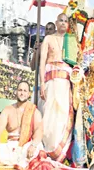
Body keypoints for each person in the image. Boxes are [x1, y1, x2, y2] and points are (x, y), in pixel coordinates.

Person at [38, 13, 73, 161]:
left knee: (63, 115)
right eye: (61, 20)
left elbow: (75, 64)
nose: (63, 23)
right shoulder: (48, 38)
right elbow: (42, 62)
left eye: (66, 21)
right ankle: (47, 149)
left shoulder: (71, 41)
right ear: (56, 22)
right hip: (50, 81)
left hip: (65, 82)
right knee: (48, 115)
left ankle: (60, 153)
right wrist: (41, 84)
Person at [0, 81, 43, 167]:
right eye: (20, 90)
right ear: (16, 92)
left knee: (38, 146)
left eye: (25, 91)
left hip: (26, 148)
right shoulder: (8, 110)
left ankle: (15, 164)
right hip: (11, 148)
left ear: (28, 94)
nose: (22, 93)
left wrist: (33, 145)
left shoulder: (34, 111)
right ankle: (18, 164)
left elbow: (39, 130)